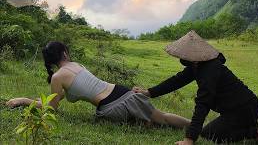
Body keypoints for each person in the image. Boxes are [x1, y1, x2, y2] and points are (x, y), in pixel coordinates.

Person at [133, 30, 258, 145]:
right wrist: (149, 92)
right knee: (212, 131)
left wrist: (189, 139)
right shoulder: (198, 66)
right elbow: (176, 80)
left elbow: (202, 103)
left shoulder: (209, 69)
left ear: (192, 55)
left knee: (211, 135)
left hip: (243, 109)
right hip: (237, 109)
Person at [6, 41, 191, 129]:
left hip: (111, 107)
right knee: (163, 119)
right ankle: (196, 127)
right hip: (124, 92)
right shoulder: (77, 65)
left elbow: (51, 108)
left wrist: (24, 100)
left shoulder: (57, 77)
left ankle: (145, 123)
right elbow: (57, 99)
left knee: (150, 124)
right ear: (64, 54)